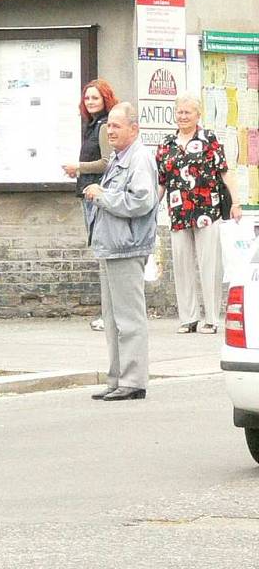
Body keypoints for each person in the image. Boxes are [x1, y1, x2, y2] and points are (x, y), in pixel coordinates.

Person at [84, 102, 159, 401]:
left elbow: (141, 201)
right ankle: (118, 378)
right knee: (113, 318)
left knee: (129, 318)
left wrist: (102, 196)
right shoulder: (119, 157)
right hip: (112, 246)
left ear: (133, 128)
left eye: (116, 126)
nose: (110, 131)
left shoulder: (139, 158)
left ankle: (133, 380)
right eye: (108, 126)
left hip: (127, 247)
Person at [156, 93, 242, 335]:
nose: (183, 116)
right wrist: (150, 207)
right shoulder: (166, 144)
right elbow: (161, 181)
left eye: (188, 112)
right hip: (179, 211)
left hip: (207, 210)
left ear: (197, 115)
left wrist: (236, 202)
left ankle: (212, 319)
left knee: (209, 265)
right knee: (182, 265)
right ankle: (188, 318)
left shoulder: (209, 139)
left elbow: (225, 172)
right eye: (180, 112)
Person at [62, 79, 119, 332]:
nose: (91, 102)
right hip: (88, 193)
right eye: (87, 98)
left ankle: (110, 314)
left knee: (105, 253)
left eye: (95, 97)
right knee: (101, 253)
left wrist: (79, 167)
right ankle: (108, 313)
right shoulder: (92, 125)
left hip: (99, 194)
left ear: (106, 99)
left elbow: (107, 162)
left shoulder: (105, 126)